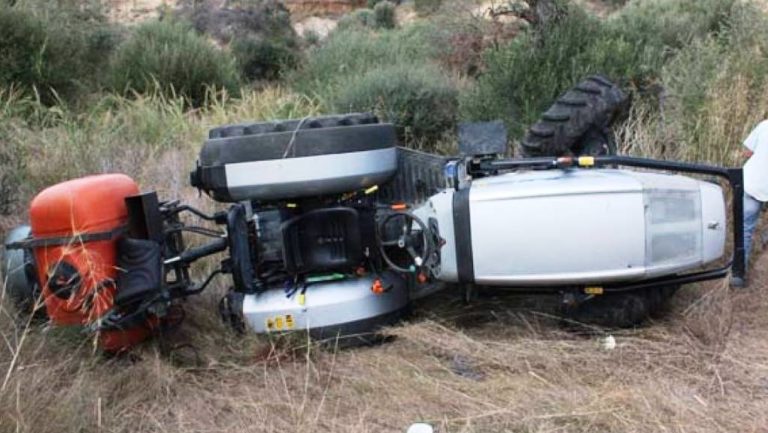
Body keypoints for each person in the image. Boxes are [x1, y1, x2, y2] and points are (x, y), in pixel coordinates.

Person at [733, 119, 768, 287]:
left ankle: (738, 274)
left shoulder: (765, 125)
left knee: (745, 229)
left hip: (752, 183)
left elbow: (747, 152)